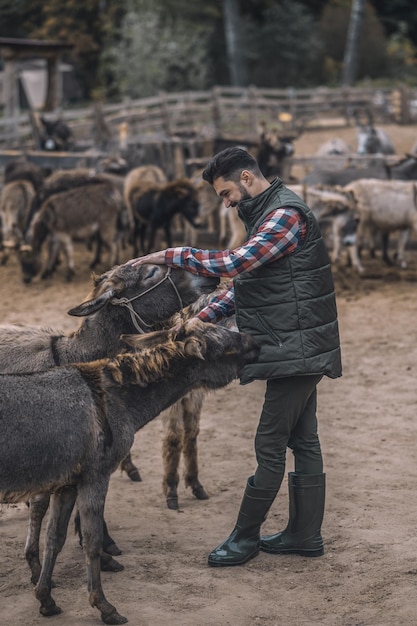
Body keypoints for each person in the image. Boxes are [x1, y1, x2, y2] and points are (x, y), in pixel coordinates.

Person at [125, 146, 342, 567]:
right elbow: (248, 289)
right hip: (296, 345)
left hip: (295, 348)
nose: (225, 203)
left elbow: (234, 264)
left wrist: (170, 255)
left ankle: (244, 539)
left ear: (246, 179)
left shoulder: (284, 216)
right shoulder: (267, 216)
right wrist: (192, 323)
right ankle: (304, 534)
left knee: (270, 442)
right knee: (303, 439)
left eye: (225, 194)